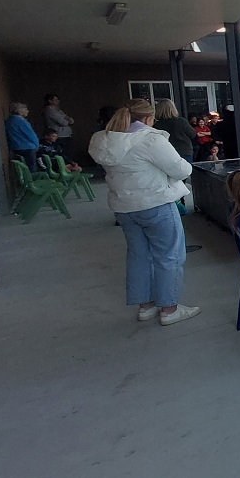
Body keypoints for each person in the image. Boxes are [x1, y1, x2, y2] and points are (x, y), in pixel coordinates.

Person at [89, 98, 198, 326]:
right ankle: (169, 310)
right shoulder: (150, 140)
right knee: (169, 256)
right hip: (156, 204)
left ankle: (146, 307)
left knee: (138, 256)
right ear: (149, 118)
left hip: (124, 208)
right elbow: (182, 170)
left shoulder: (104, 141)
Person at [5, 102, 40, 171]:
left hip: (16, 147)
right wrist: (37, 145)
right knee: (31, 169)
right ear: (20, 110)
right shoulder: (21, 121)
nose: (27, 111)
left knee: (21, 169)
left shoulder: (9, 120)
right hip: (28, 148)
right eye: (26, 109)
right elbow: (31, 135)